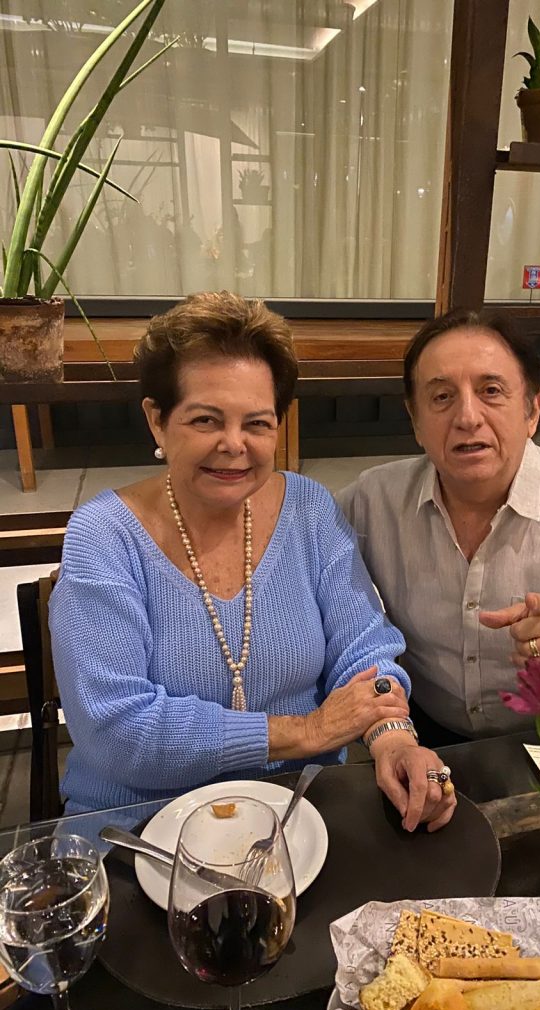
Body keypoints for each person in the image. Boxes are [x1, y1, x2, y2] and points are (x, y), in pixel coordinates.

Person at [50, 291, 456, 831]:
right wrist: (305, 732)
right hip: (136, 825)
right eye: (205, 420)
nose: (233, 444)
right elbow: (115, 730)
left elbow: (364, 649)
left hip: (297, 813)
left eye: (258, 423)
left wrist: (392, 738)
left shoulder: (308, 509)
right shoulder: (104, 535)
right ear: (157, 421)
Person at [337, 308, 540, 744]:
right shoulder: (371, 502)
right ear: (415, 420)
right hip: (423, 736)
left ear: (533, 410)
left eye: (491, 391)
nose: (468, 417)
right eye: (441, 397)